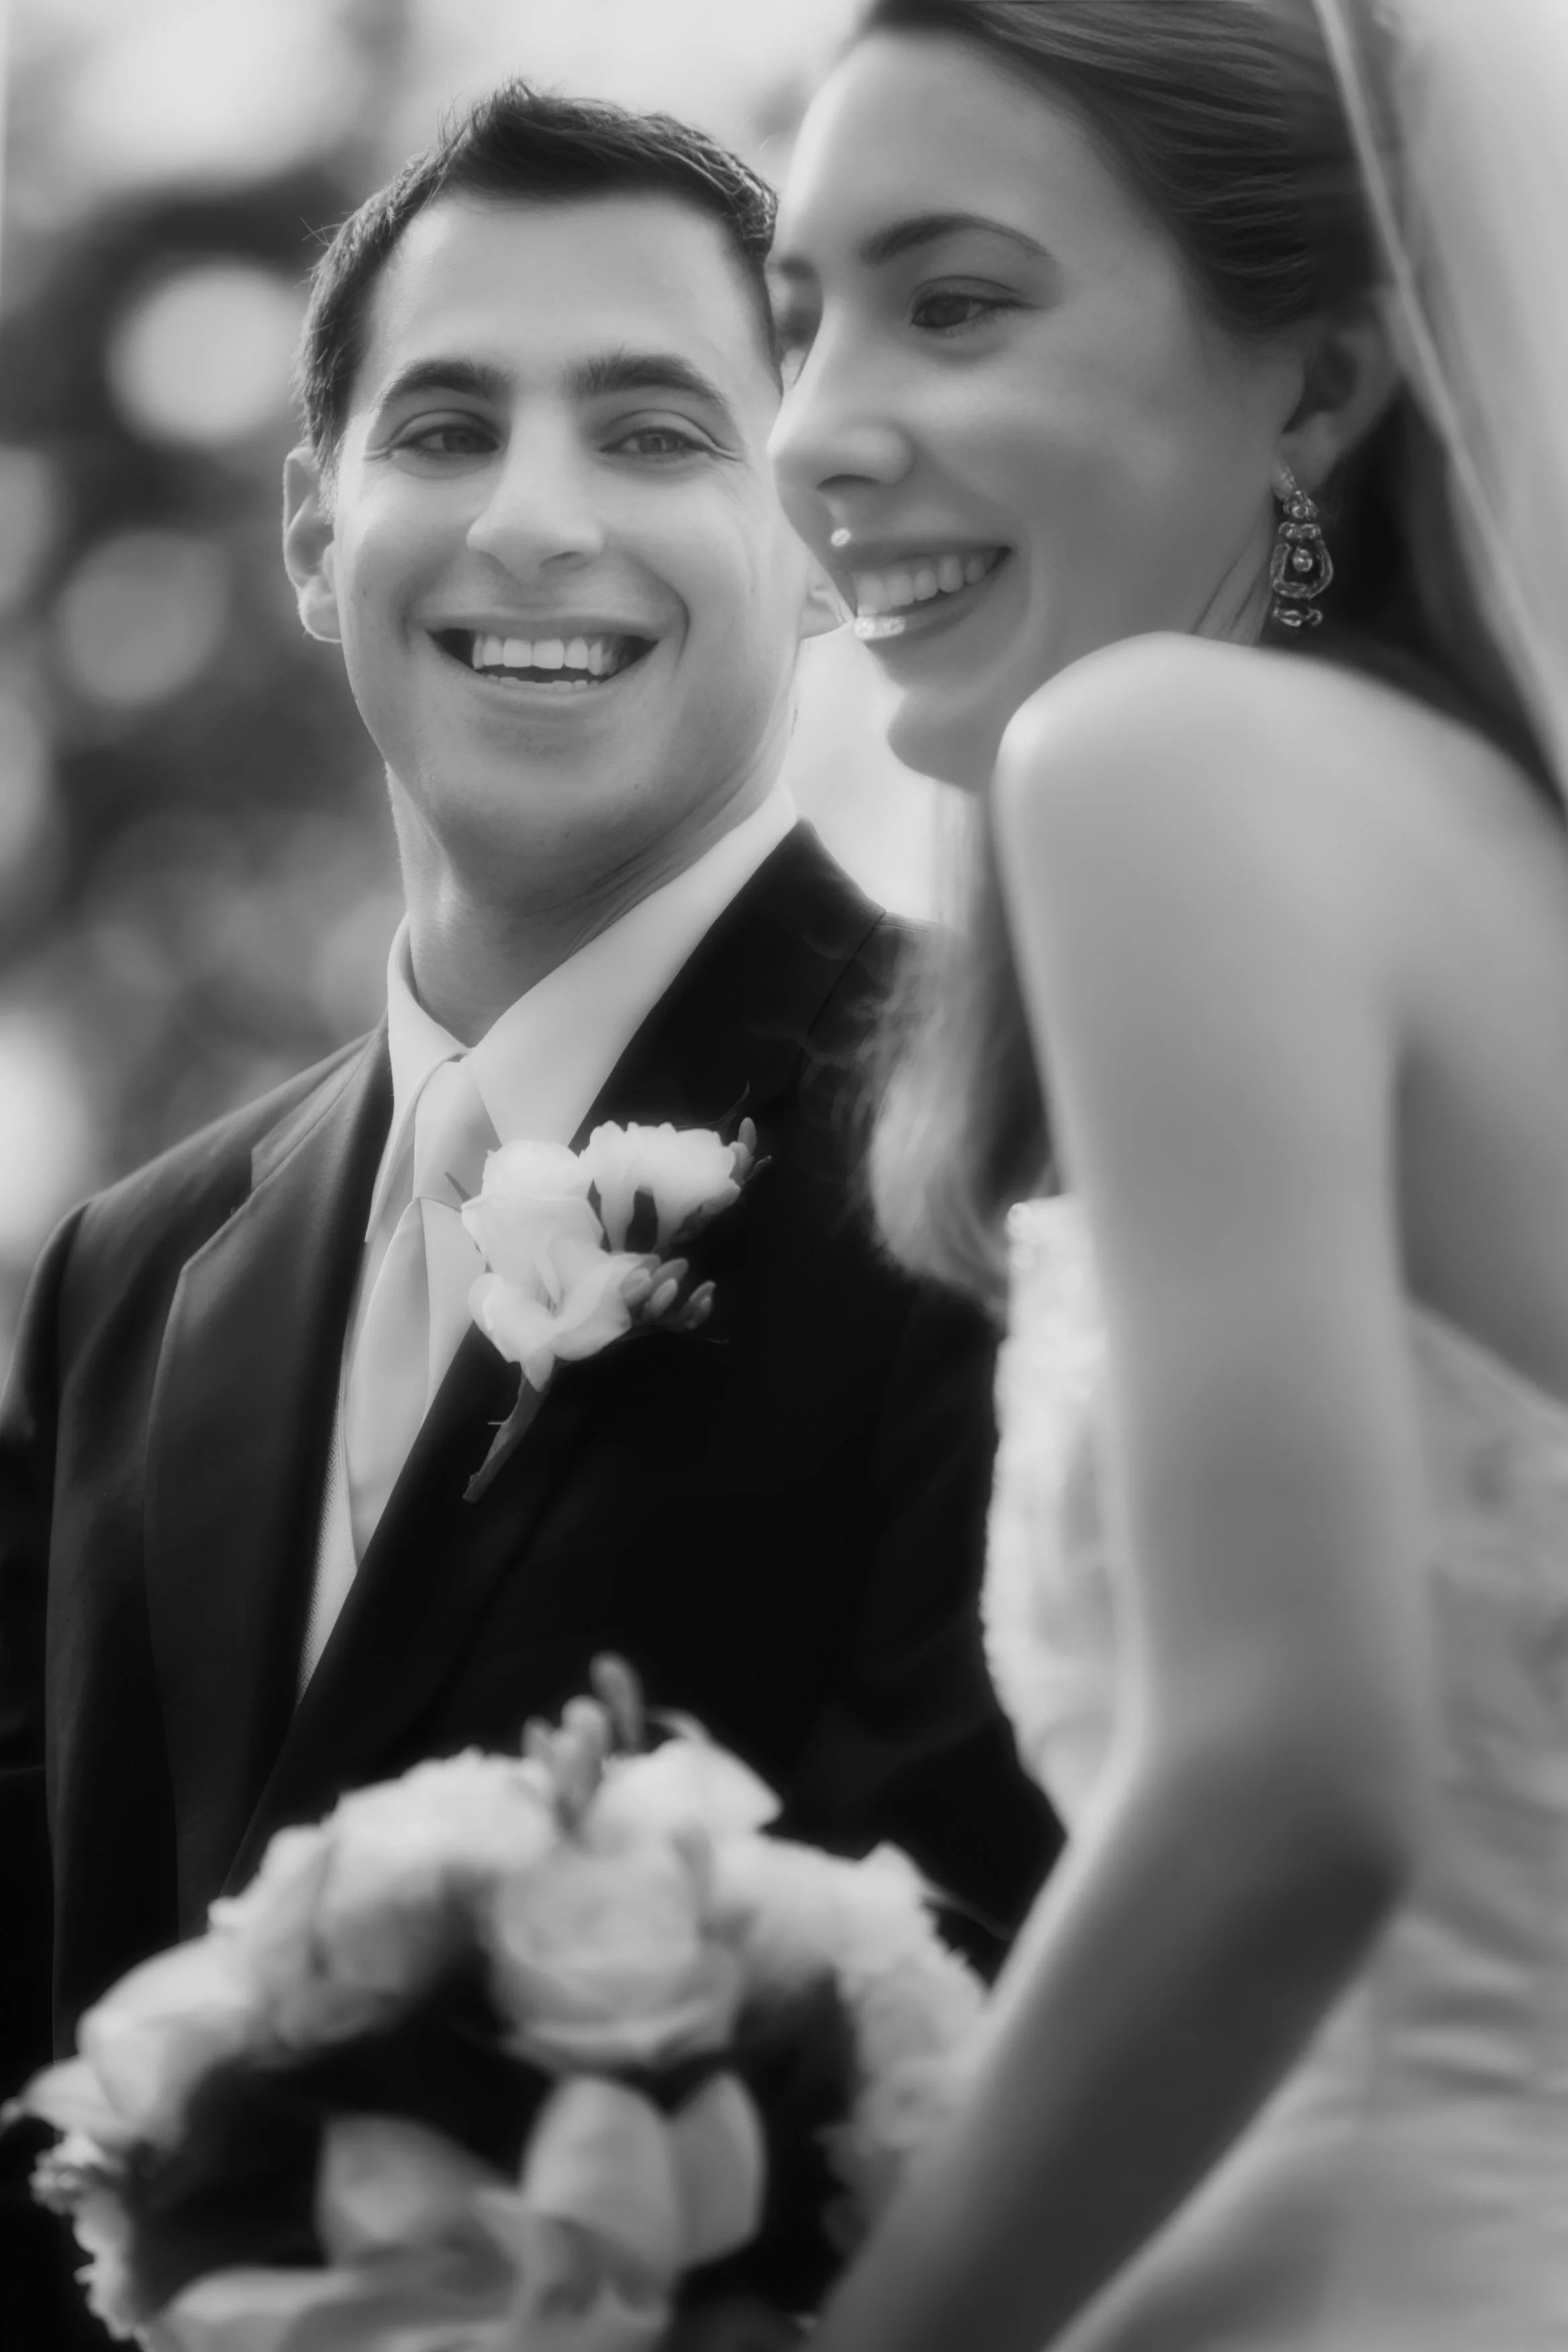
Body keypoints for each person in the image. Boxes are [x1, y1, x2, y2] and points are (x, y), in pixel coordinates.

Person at [0, 83, 1058, 2341]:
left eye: (661, 433)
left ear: (816, 533)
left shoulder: (1012, 1151)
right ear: (314, 532)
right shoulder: (123, 1279)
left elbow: (1002, 2021)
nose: (538, 523)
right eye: (448, 426)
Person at [767, 0, 1568, 2345]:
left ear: (1316, 390)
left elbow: (1285, 1800)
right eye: (798, 319)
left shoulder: (1158, 755)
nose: (813, 436)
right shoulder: (1501, 871)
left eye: (960, 299)